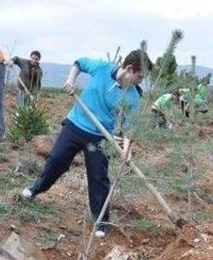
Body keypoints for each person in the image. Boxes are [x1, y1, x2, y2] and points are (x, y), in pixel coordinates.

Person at [21, 49, 152, 238]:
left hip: (99, 137)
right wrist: (70, 81)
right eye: (140, 76)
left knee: (98, 177)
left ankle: (101, 221)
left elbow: (129, 127)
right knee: (56, 160)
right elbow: (78, 63)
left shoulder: (133, 96)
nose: (141, 81)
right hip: (75, 125)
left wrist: (126, 150)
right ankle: (36, 188)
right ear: (130, 69)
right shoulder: (102, 68)